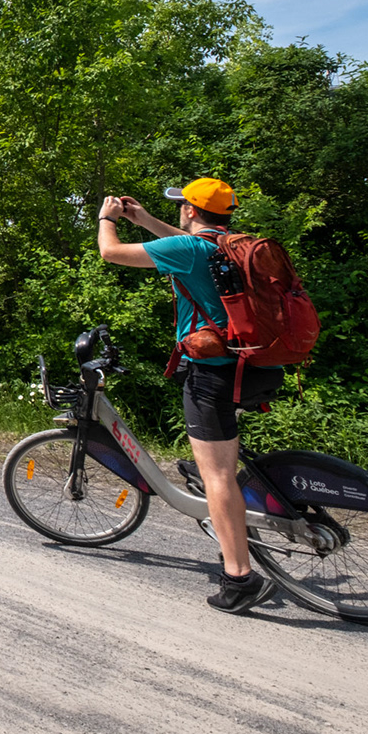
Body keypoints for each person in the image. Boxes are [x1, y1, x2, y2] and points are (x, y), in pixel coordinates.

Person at [97, 177, 281, 614]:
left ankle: (239, 578)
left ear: (192, 211)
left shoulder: (191, 250)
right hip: (258, 366)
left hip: (214, 375)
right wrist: (143, 219)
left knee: (216, 475)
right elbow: (186, 243)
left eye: (182, 206)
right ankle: (237, 521)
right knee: (222, 464)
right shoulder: (232, 245)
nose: (181, 211)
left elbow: (110, 252)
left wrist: (108, 219)